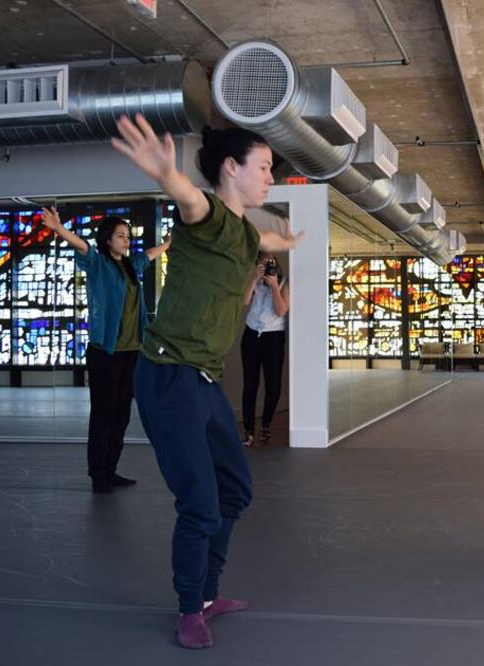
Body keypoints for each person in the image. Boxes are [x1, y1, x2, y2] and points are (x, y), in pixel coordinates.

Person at [111, 114, 301, 649]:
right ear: (230, 167)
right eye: (262, 167)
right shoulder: (210, 215)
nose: (269, 176)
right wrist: (166, 174)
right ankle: (189, 607)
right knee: (200, 502)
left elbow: (256, 233)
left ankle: (209, 593)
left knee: (235, 489)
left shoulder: (241, 232)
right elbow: (191, 202)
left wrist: (282, 240)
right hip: (168, 377)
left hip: (204, 381)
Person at [40, 207, 169, 493]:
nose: (126, 240)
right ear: (107, 239)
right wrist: (58, 229)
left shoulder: (131, 266)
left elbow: (149, 254)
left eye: (128, 236)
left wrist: (171, 243)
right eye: (121, 236)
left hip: (131, 352)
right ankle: (98, 473)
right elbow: (82, 246)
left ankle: (111, 470)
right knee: (103, 415)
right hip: (105, 352)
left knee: (121, 415)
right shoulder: (98, 264)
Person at [241, 251, 290, 446]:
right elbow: (244, 302)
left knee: (273, 386)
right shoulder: (253, 281)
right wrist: (253, 279)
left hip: (274, 336)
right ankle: (248, 431)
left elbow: (281, 311)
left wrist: (274, 287)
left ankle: (266, 424)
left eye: (269, 262)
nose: (266, 266)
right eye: (261, 262)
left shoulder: (284, 282)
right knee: (250, 385)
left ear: (276, 263)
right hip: (251, 334)